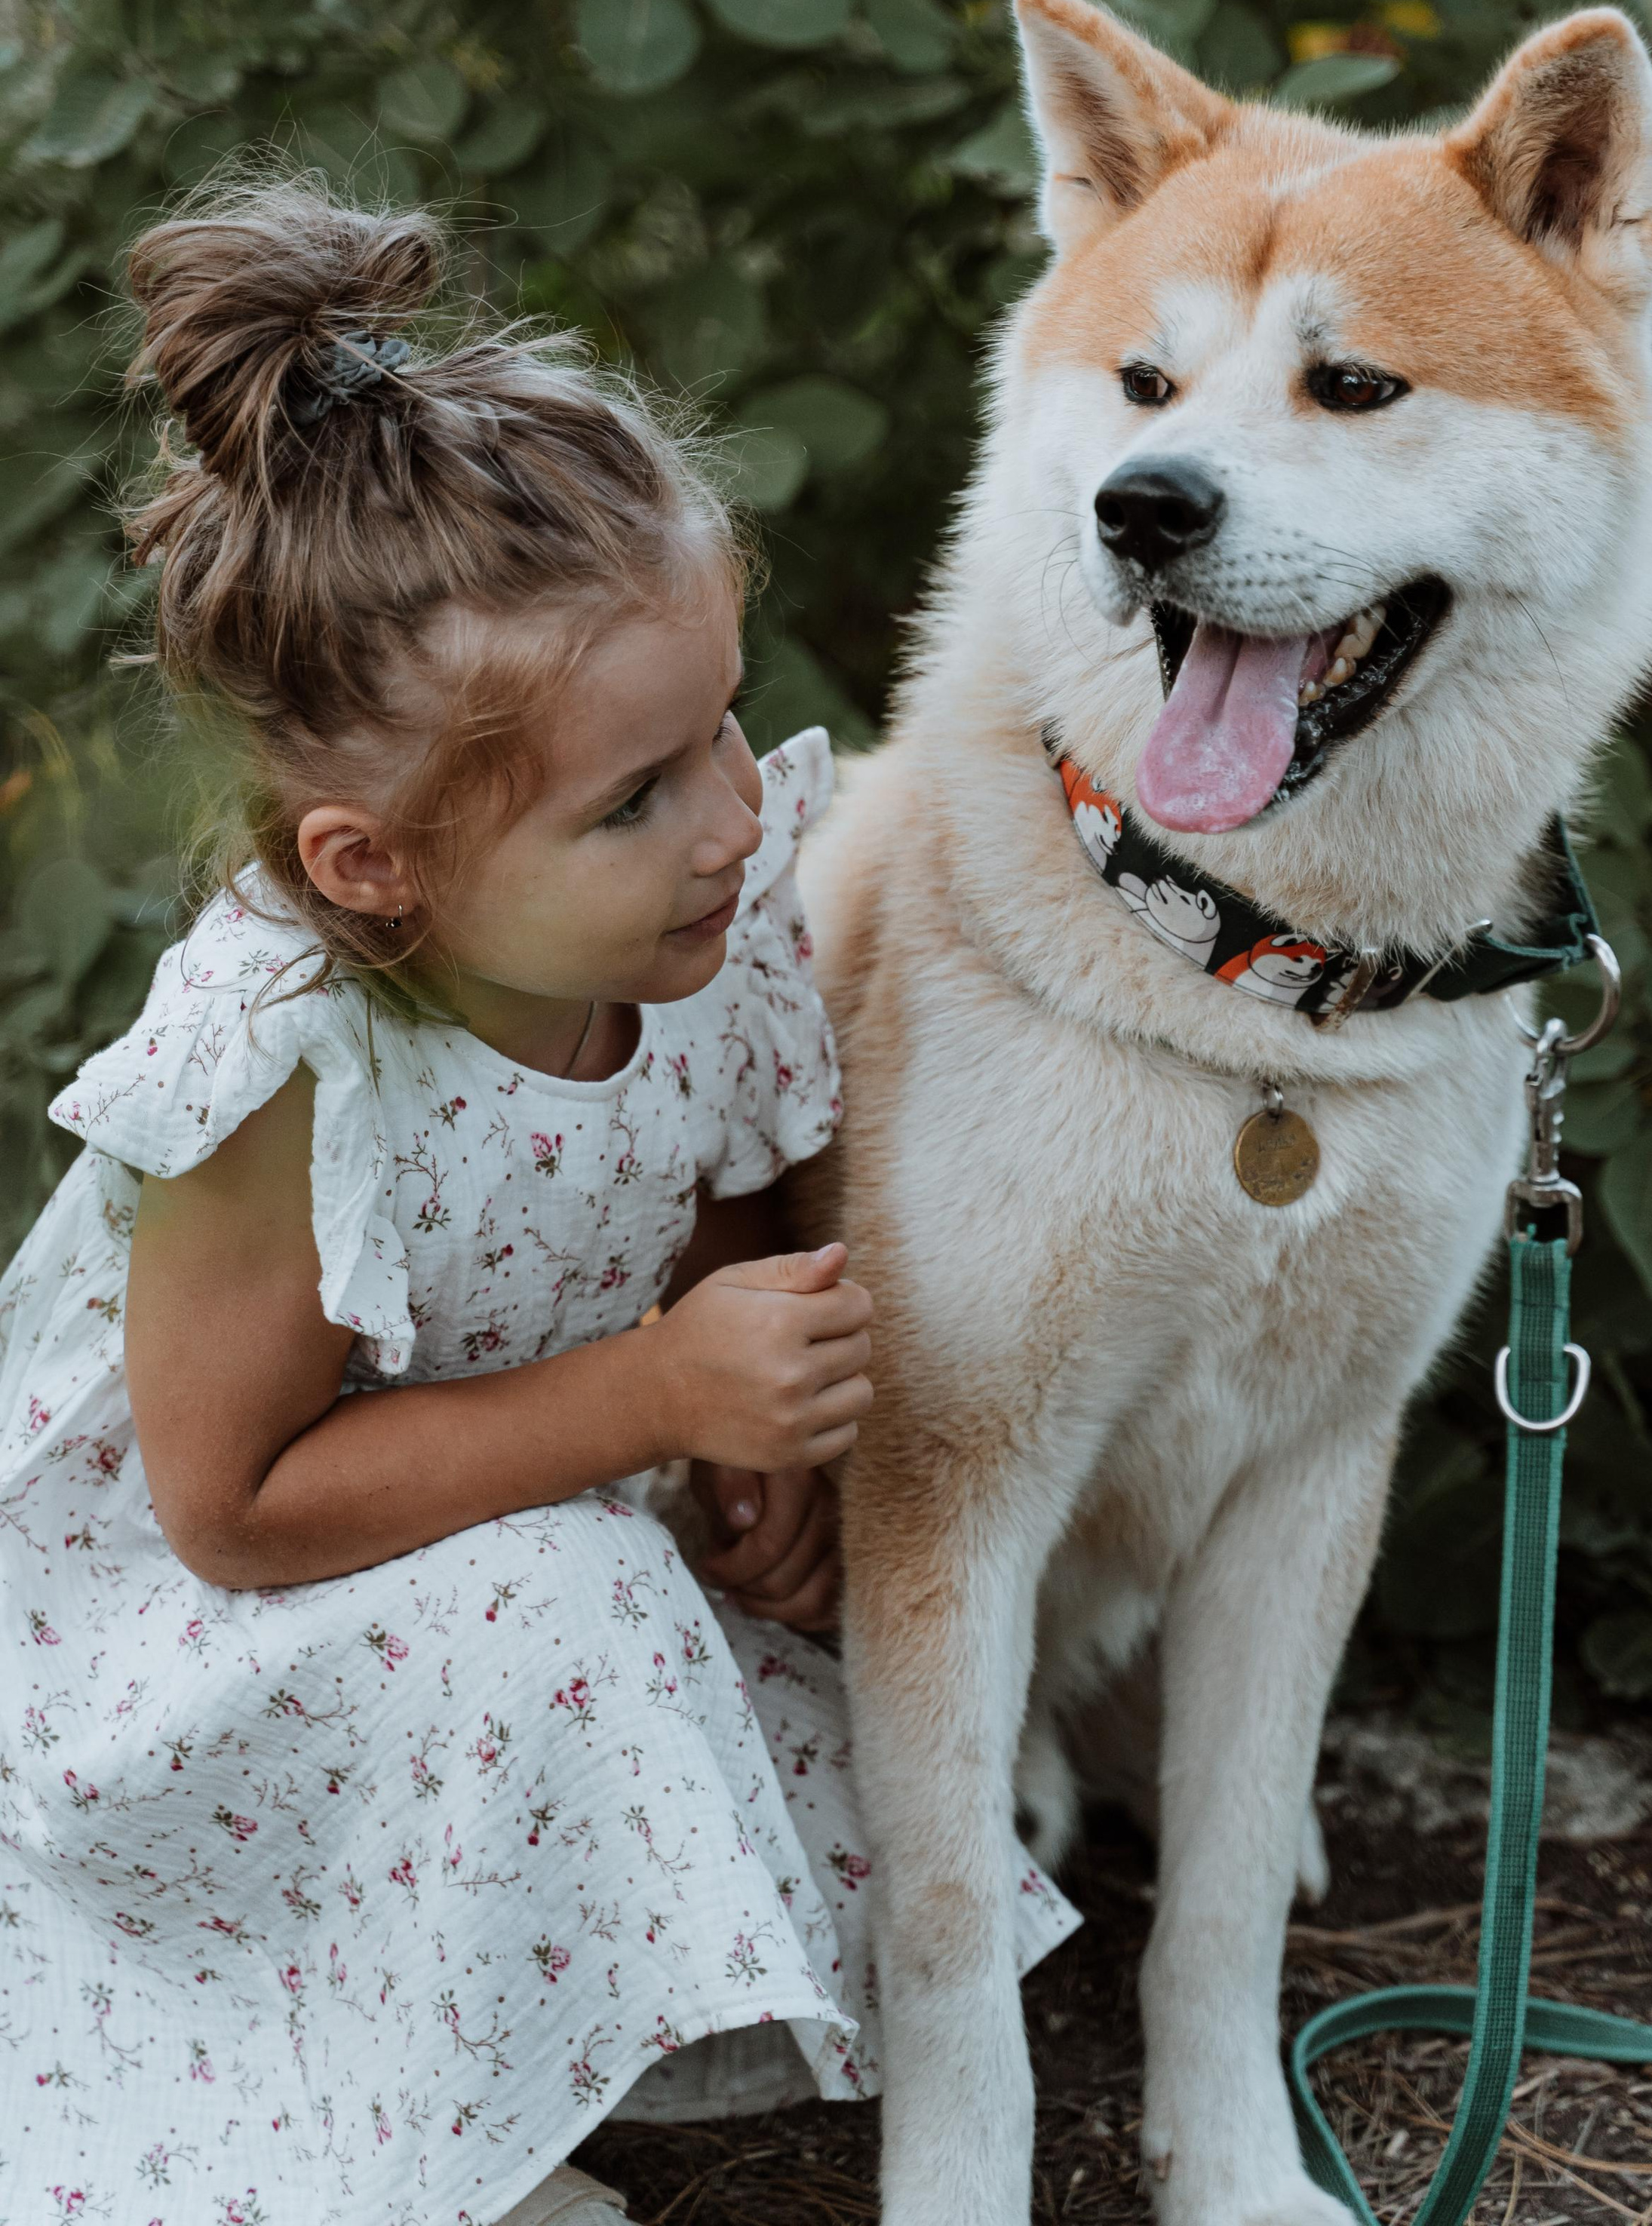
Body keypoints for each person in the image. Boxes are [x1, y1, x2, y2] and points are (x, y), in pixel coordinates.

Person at [0, 181, 1073, 2226]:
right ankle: (421, 2157)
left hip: (482, 1532)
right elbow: (228, 1511)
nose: (735, 817)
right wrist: (656, 1399)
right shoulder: (280, 1072)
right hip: (168, 1654)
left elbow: (714, 1172)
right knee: (568, 1604)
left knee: (635, 1615)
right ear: (373, 865)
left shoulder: (689, 926)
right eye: (636, 795)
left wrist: (754, 1435)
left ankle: (482, 2058)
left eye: (723, 724)